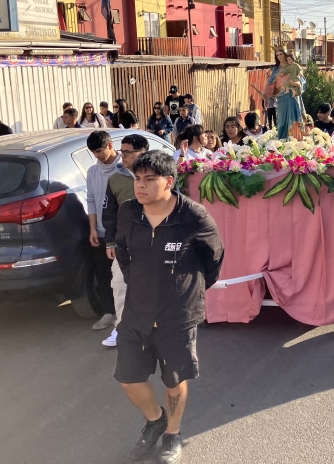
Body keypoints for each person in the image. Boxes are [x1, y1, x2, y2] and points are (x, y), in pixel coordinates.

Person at [114, 151, 224, 463]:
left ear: (169, 182)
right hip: (137, 309)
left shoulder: (193, 216)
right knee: (128, 376)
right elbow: (122, 251)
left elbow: (214, 258)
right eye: (137, 179)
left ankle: (172, 433)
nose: (141, 186)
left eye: (150, 179)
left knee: (174, 379)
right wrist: (137, 282)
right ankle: (155, 419)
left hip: (177, 313)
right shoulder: (128, 212)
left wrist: (187, 292)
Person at [102, 133, 150, 348]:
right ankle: (122, 329)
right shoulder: (115, 179)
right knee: (120, 286)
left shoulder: (161, 176)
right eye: (122, 151)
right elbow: (109, 214)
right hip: (125, 245)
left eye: (128, 152)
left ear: (143, 152)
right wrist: (110, 242)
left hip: (154, 242)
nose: (123, 156)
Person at [85, 131, 120, 333]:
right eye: (93, 152)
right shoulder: (93, 172)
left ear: (110, 145)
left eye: (99, 151)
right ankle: (109, 312)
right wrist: (92, 229)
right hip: (101, 230)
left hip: (122, 230)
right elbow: (91, 200)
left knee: (125, 276)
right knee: (104, 273)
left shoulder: (125, 168)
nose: (97, 155)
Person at [258, 48, 305, 139]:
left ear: (285, 54)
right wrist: (265, 93)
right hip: (282, 96)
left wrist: (298, 84)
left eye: (281, 54)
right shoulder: (275, 69)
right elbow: (271, 84)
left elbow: (301, 79)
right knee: (282, 119)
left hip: (293, 95)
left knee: (295, 117)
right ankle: (283, 139)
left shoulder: (293, 66)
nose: (279, 57)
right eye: (277, 55)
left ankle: (295, 138)